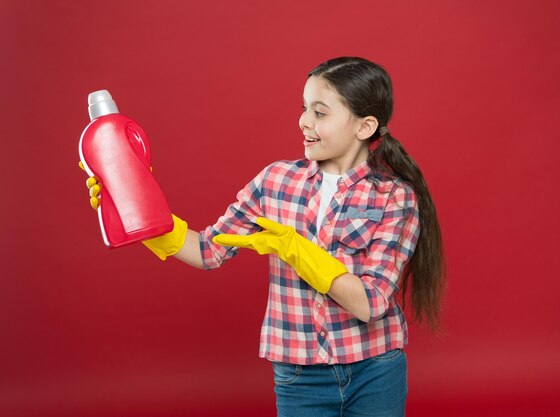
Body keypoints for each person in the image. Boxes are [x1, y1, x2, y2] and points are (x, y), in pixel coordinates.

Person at [82, 56, 446, 417]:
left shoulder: (394, 197)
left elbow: (370, 303)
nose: (304, 122)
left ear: (365, 126)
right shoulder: (275, 182)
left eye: (320, 113)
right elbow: (207, 251)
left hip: (375, 370)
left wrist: (295, 248)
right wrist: (136, 205)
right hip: (299, 377)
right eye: (304, 108)